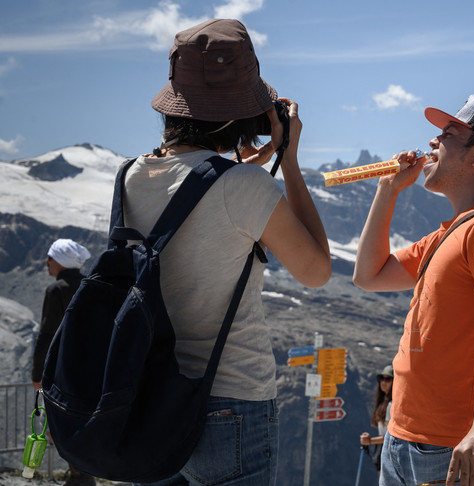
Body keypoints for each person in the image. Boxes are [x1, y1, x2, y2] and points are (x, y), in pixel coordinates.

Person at [126, 19, 331, 485]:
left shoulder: (131, 176)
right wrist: (288, 158)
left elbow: (197, 183)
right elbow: (316, 270)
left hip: (148, 394)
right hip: (231, 401)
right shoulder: (244, 186)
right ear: (243, 112)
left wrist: (258, 160)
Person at [353, 95, 474, 486]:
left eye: (447, 134)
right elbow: (369, 276)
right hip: (404, 437)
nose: (432, 142)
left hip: (451, 446)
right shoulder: (448, 233)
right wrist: (388, 190)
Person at [31, 238, 95, 486]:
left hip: (62, 370)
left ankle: (79, 476)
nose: (46, 262)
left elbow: (47, 334)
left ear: (59, 260)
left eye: (50, 257)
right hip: (92, 368)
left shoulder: (56, 290)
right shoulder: (92, 285)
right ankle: (82, 473)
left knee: (57, 423)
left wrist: (37, 373)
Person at [360, 364, 394, 474]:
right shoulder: (384, 402)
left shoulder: (391, 405)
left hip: (388, 450)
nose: (383, 382)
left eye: (388, 379)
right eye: (381, 378)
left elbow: (391, 436)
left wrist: (369, 441)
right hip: (384, 449)